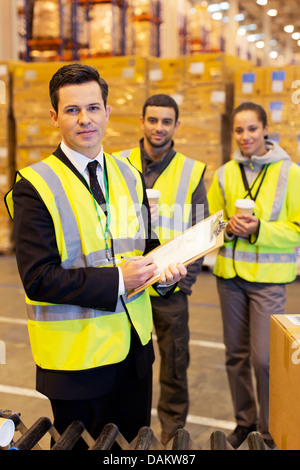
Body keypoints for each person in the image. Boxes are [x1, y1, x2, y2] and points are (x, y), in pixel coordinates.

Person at [4, 64, 187, 448]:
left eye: (93, 107)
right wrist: (121, 279)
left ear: (107, 111)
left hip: (134, 354)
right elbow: (39, 278)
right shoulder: (34, 186)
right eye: (72, 110)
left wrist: (164, 275)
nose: (85, 119)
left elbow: (145, 246)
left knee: (130, 449)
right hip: (77, 364)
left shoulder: (129, 175)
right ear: (55, 117)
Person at [113, 94, 209, 445]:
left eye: (166, 121)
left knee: (173, 365)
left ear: (176, 126)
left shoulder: (191, 171)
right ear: (141, 121)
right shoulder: (117, 163)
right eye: (152, 120)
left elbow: (200, 233)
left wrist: (184, 284)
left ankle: (172, 432)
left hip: (171, 288)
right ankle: (126, 427)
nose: (158, 128)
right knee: (129, 364)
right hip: (129, 284)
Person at [207, 101, 300, 449]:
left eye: (252, 129)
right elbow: (213, 222)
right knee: (236, 356)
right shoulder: (225, 173)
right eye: (239, 130)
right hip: (229, 277)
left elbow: (297, 228)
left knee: (264, 359)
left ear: (265, 130)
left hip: (269, 280)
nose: (245, 136)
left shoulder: (291, 173)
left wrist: (260, 228)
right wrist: (226, 228)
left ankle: (270, 429)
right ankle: (245, 423)